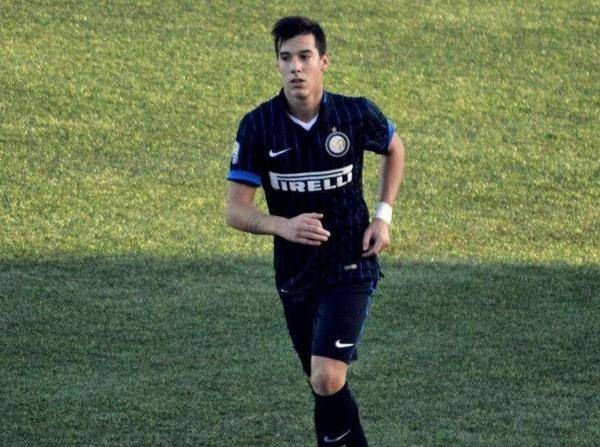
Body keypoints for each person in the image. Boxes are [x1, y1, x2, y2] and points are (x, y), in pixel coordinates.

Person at [226, 16, 404, 447]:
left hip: (350, 263)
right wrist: (284, 226)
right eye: (286, 58)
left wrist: (383, 215)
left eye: (305, 57)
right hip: (295, 273)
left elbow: (393, 147)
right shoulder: (258, 126)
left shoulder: (354, 113)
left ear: (324, 61)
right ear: (277, 64)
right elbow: (236, 210)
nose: (296, 67)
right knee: (321, 382)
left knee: (326, 376)